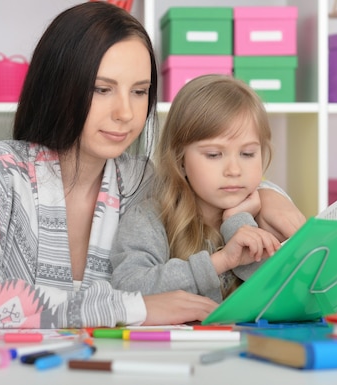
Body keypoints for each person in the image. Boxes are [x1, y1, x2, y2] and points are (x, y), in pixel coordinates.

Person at [0, 1, 304, 329]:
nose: (125, 113)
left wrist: (269, 196)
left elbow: (219, 178)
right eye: (102, 89)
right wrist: (133, 308)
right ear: (58, 85)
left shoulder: (141, 180)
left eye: (140, 92)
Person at [111, 74, 305, 303]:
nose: (234, 170)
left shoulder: (269, 216)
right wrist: (221, 261)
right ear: (180, 159)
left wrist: (238, 221)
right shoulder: (149, 218)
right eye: (214, 155)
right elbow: (128, 286)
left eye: (247, 154)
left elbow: (288, 297)